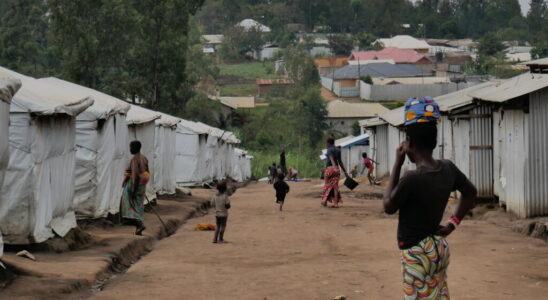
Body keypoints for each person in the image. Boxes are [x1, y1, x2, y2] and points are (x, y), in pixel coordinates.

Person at [383, 97, 477, 299]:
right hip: (438, 247)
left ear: (410, 143)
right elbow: (470, 193)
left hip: (416, 253)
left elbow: (388, 205)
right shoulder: (448, 168)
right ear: (433, 140)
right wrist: (452, 224)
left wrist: (397, 164)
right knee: (438, 295)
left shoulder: (412, 178)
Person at [121, 140, 150, 235]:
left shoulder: (135, 159)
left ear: (135, 148)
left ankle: (139, 224)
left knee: (128, 206)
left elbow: (135, 175)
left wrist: (134, 190)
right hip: (141, 186)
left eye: (131, 147)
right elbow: (147, 173)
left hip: (133, 185)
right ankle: (138, 228)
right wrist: (142, 185)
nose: (130, 149)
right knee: (138, 206)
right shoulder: (144, 158)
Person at [321, 138, 349, 208]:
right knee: (335, 187)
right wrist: (345, 172)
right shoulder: (338, 150)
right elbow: (340, 162)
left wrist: (333, 167)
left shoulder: (329, 149)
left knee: (327, 185)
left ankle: (324, 201)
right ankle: (335, 203)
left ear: (328, 143)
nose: (326, 145)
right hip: (337, 170)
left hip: (330, 169)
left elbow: (331, 158)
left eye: (326, 143)